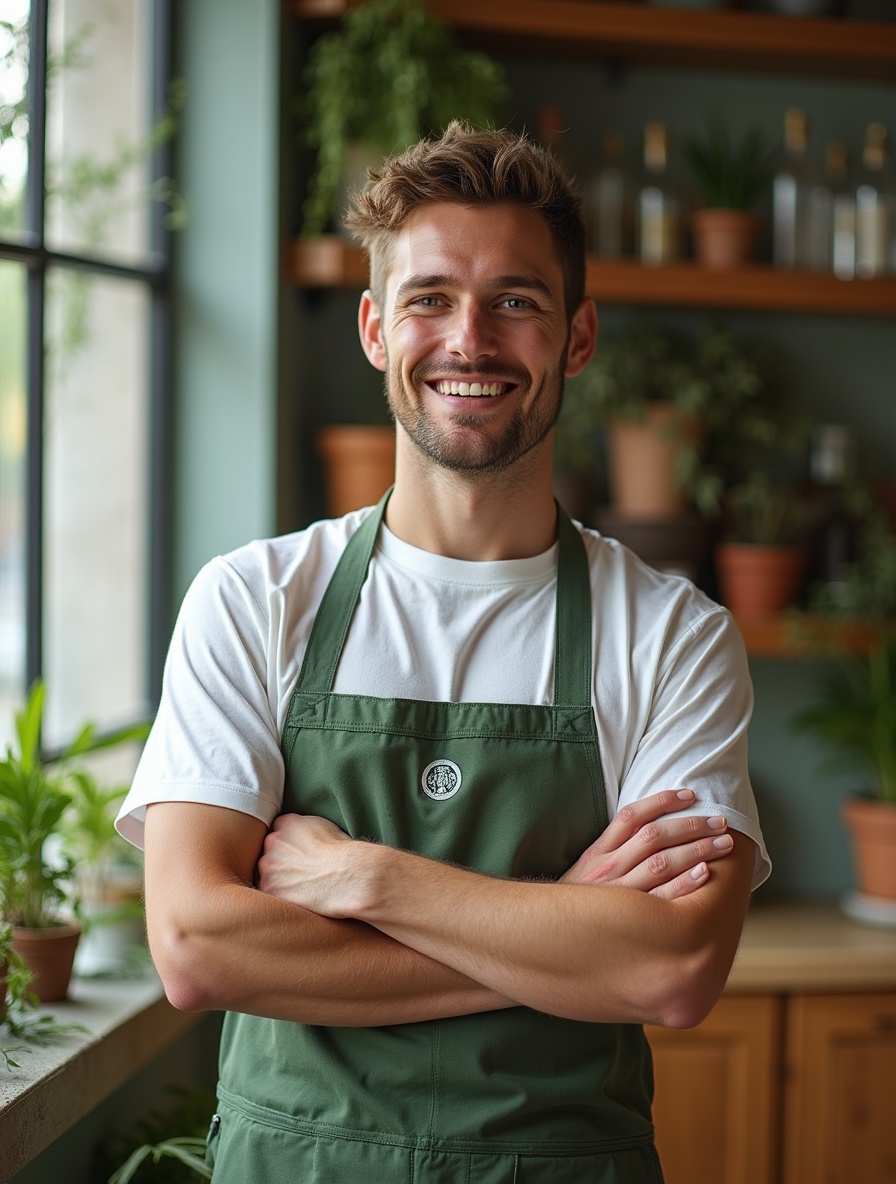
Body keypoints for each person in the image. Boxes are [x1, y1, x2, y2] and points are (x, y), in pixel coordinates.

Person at [117, 121, 770, 1183]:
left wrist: (361, 875)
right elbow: (196, 944)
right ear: (376, 328)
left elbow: (671, 967)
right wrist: (561, 925)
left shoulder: (670, 634)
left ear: (576, 336)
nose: (468, 338)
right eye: (429, 298)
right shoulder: (253, 600)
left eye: (515, 299)